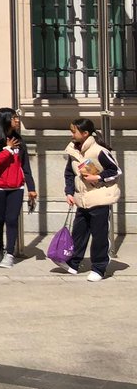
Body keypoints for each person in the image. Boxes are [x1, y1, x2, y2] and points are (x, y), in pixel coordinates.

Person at [59, 118, 121, 281]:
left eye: (74, 131)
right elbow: (69, 174)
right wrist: (69, 192)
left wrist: (98, 176)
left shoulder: (99, 151)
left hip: (99, 198)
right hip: (82, 199)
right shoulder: (73, 151)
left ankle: (99, 268)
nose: (71, 134)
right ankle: (73, 263)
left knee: (99, 235)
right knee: (79, 233)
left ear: (85, 133)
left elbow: (115, 171)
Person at [0, 107, 37, 268]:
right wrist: (7, 149)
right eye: (14, 118)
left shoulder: (19, 141)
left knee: (12, 220)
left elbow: (25, 166)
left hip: (16, 187)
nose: (17, 121)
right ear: (4, 120)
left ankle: (10, 253)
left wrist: (31, 188)